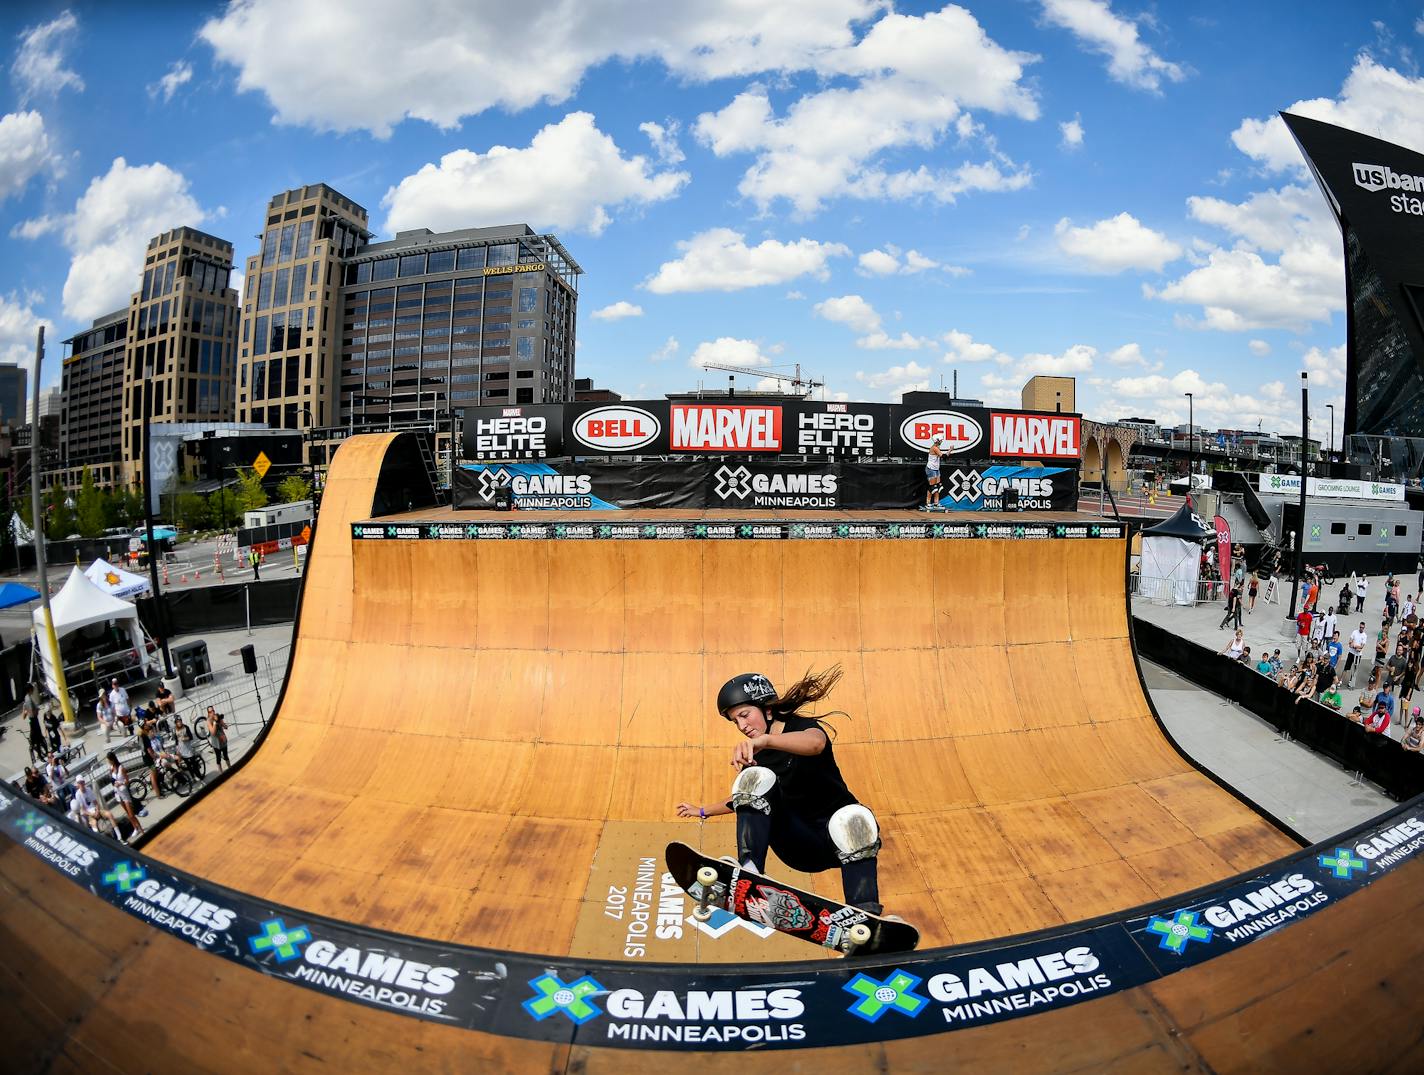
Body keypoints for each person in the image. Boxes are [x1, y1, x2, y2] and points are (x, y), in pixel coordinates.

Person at [675, 668, 887, 916]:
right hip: (797, 842)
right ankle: (750, 871)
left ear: (766, 709)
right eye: (736, 722)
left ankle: (863, 915)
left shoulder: (802, 726)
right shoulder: (755, 758)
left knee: (856, 816)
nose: (742, 726)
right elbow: (743, 799)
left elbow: (816, 743)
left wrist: (766, 741)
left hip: (840, 842)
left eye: (744, 715)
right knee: (754, 777)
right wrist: (701, 810)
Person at [106, 751, 147, 838]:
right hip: (117, 794)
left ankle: (141, 829)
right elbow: (111, 780)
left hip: (124, 793)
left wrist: (120, 783)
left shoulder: (121, 768)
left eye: (109, 760)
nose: (108, 762)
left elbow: (127, 781)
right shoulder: (111, 768)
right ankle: (135, 828)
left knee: (131, 814)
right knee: (128, 814)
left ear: (112, 760)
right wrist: (114, 783)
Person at [173, 716, 202, 782]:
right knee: (188, 765)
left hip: (188, 748)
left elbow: (191, 737)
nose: (179, 723)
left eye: (180, 721)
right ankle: (193, 777)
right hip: (182, 750)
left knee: (194, 764)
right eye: (178, 722)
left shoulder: (186, 727)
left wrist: (185, 738)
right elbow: (176, 741)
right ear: (176, 723)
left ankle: (199, 775)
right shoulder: (175, 730)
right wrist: (177, 750)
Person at [921, 435, 943, 511]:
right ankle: (928, 503)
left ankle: (936, 503)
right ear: (937, 441)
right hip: (931, 469)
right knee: (932, 487)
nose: (942, 441)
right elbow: (943, 456)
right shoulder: (934, 448)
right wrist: (950, 450)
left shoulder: (937, 447)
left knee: (937, 486)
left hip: (936, 469)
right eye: (941, 440)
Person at [206, 706, 230, 770]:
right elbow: (213, 733)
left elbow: (225, 727)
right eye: (210, 711)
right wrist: (215, 723)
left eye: (213, 710)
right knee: (218, 758)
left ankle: (230, 768)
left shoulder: (217, 716)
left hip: (222, 740)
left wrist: (222, 723)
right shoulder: (208, 721)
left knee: (226, 756)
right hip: (216, 743)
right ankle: (221, 772)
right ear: (208, 713)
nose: (213, 712)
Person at [1346, 622, 1369, 688]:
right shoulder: (1355, 632)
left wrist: (1354, 646)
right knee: (1347, 666)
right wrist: (1355, 646)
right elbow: (1350, 642)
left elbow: (1361, 647)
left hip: (1358, 655)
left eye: (1362, 628)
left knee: (1355, 668)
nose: (1361, 628)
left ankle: (1351, 681)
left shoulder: (1364, 636)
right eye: (1360, 627)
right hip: (1351, 653)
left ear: (1364, 628)